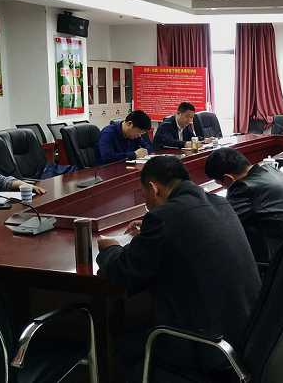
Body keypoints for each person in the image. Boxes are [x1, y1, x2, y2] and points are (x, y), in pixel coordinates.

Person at [96, 156, 260, 381]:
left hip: (208, 346)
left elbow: (123, 273)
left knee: (121, 345)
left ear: (154, 188)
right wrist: (150, 233)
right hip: (248, 335)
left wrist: (110, 248)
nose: (147, 203)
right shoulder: (221, 203)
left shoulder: (163, 218)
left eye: (145, 195)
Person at [205, 147, 283, 262]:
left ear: (228, 179)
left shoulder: (243, 188)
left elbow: (221, 226)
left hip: (282, 261)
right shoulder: (271, 170)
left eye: (221, 184)